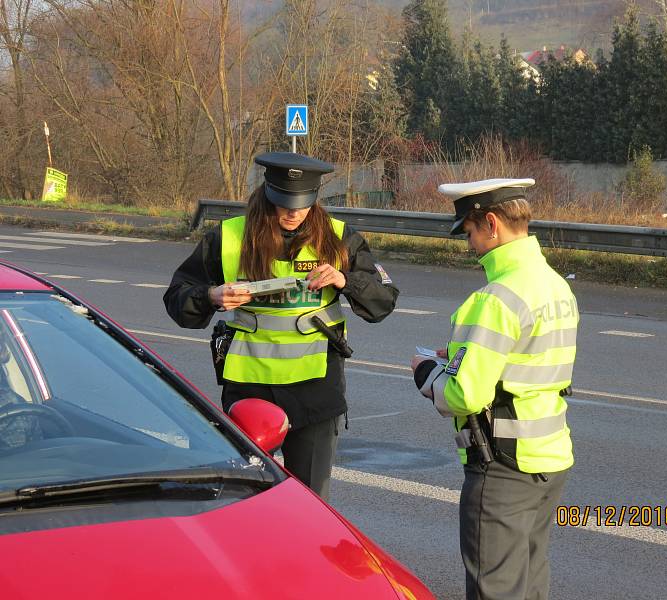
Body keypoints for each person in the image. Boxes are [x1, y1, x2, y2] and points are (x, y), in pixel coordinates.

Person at [164, 152, 398, 500]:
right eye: (284, 203)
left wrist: (345, 280)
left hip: (315, 392)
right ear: (267, 193)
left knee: (311, 503)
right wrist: (211, 296)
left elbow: (384, 299)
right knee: (249, 501)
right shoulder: (228, 238)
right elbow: (177, 299)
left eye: (302, 204)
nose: (293, 212)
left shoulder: (338, 238)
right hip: (249, 389)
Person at [410, 178, 579, 600]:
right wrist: (465, 352)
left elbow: (464, 395)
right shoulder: (555, 284)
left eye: (468, 232)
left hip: (502, 466)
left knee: (496, 590)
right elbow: (527, 357)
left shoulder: (493, 299)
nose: (468, 244)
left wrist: (427, 373)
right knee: (530, 582)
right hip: (549, 457)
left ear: (491, 223)